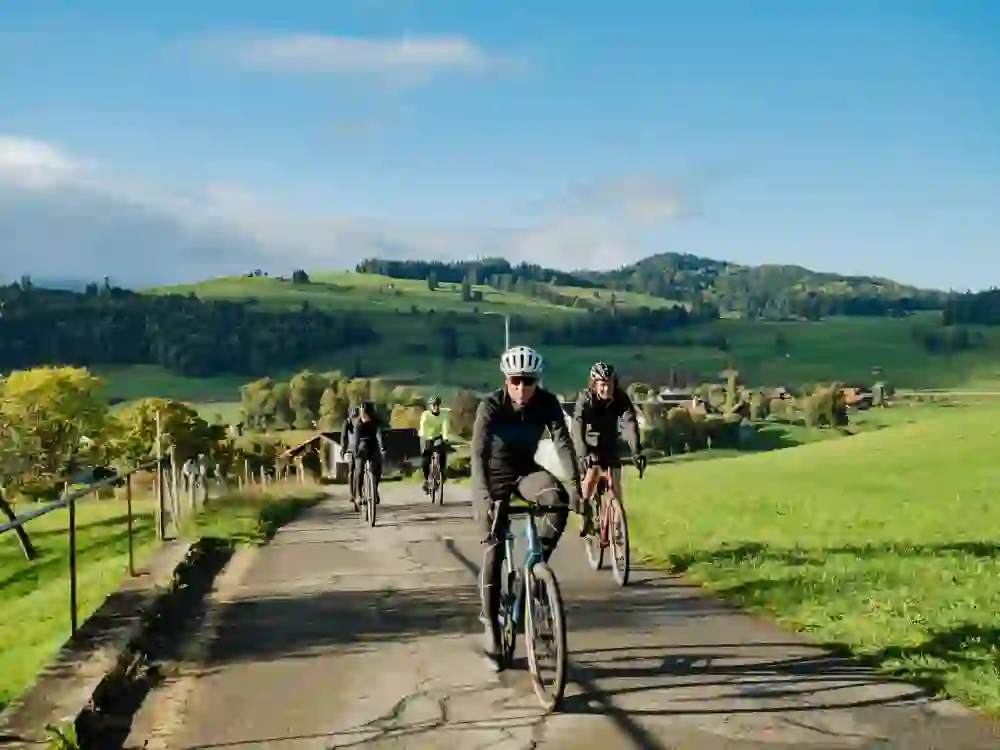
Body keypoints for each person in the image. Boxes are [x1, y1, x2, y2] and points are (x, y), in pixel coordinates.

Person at [472, 344, 583, 670]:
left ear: (538, 381)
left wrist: (577, 488)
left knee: (557, 500)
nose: (522, 388)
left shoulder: (547, 403)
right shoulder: (490, 406)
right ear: (507, 380)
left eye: (529, 381)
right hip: (493, 480)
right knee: (493, 549)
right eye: (516, 381)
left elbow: (563, 443)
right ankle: (492, 623)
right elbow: (477, 453)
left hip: (525, 472)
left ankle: (533, 573)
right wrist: (483, 499)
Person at [571, 361, 647, 536]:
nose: (607, 389)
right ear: (595, 385)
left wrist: (636, 451)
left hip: (609, 443)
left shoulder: (621, 398)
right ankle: (585, 511)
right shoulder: (585, 399)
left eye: (610, 384)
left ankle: (618, 526)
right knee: (591, 476)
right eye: (603, 385)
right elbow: (577, 425)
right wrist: (583, 455)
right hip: (588, 444)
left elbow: (630, 423)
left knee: (615, 485)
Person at [348, 402, 386, 506]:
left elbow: (379, 434)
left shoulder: (375, 421)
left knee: (377, 468)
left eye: (365, 413)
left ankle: (375, 490)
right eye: (361, 413)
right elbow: (356, 439)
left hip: (373, 445)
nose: (363, 415)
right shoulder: (357, 423)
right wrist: (355, 452)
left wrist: (382, 446)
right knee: (359, 470)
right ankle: (359, 494)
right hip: (361, 446)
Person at [418, 396, 451, 494]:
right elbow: (423, 426)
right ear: (430, 406)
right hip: (426, 436)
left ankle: (442, 473)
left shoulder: (444, 414)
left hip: (438, 436)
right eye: (433, 405)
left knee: (442, 452)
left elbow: (445, 426)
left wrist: (445, 438)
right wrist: (426, 438)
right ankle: (427, 480)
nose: (435, 407)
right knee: (425, 457)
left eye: (437, 405)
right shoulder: (426, 415)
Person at [340, 406, 360, 508]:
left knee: (351, 471)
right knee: (358, 470)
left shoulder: (347, 422)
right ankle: (357, 493)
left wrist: (343, 449)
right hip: (360, 449)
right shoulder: (360, 421)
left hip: (351, 450)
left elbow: (343, 437)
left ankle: (352, 494)